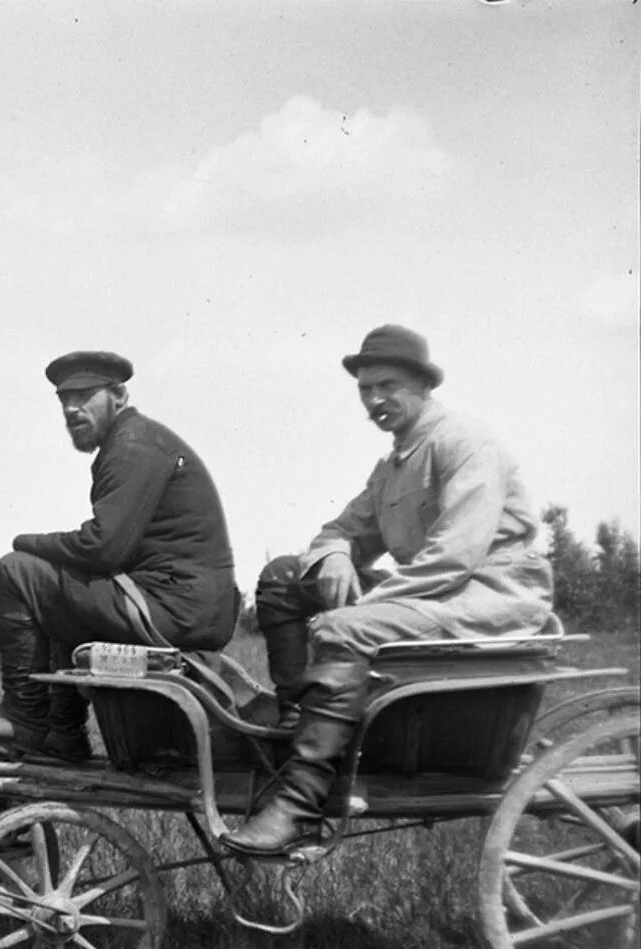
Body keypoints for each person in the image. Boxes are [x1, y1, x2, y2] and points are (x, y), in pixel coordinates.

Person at [224, 324, 553, 856]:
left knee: (340, 626)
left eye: (388, 386)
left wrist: (366, 607)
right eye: (365, 389)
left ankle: (300, 803)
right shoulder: (393, 464)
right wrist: (334, 555)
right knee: (284, 580)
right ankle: (296, 736)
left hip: (490, 595)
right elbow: (340, 531)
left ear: (424, 386)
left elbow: (454, 557)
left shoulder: (462, 443)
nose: (375, 400)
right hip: (434, 594)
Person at [0, 349, 239, 761]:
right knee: (61, 588)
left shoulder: (133, 445)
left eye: (84, 395)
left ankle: (25, 716)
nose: (71, 408)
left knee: (16, 573)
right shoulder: (134, 441)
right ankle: (64, 734)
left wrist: (26, 542)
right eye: (64, 399)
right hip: (187, 606)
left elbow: (103, 547)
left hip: (175, 607)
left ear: (118, 395)